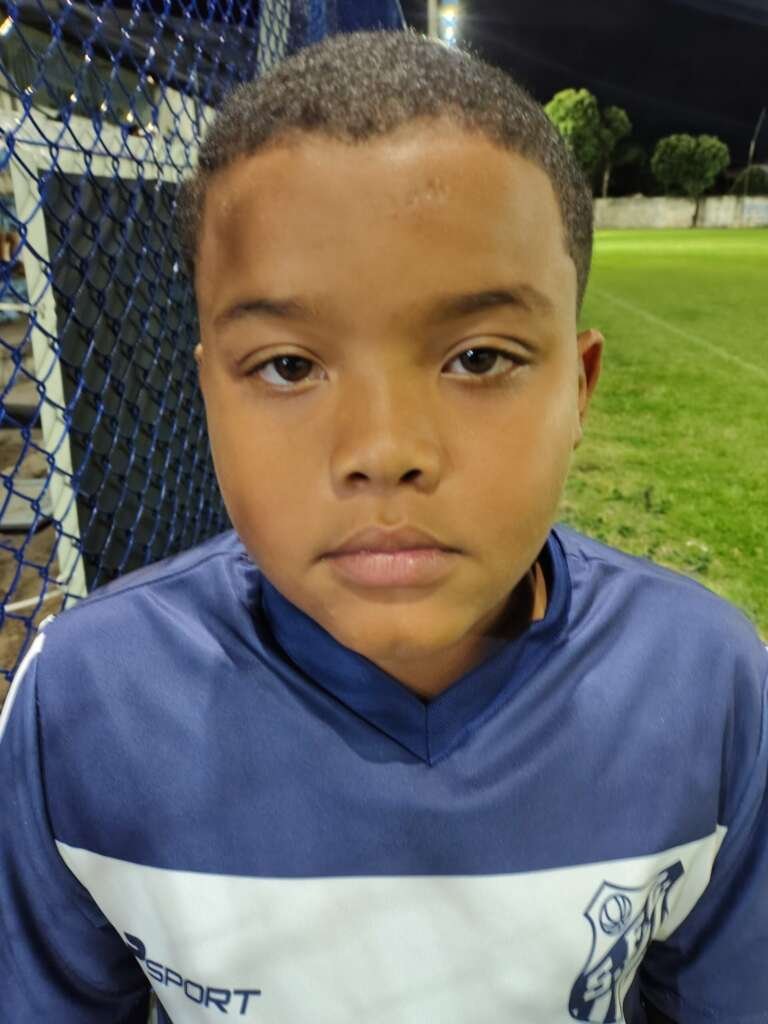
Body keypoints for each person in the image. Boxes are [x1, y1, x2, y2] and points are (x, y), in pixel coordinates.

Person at [1, 29, 766, 1024]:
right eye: (287, 366)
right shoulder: (85, 703)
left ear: (577, 390)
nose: (384, 449)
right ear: (208, 394)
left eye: (480, 358)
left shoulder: (707, 685)